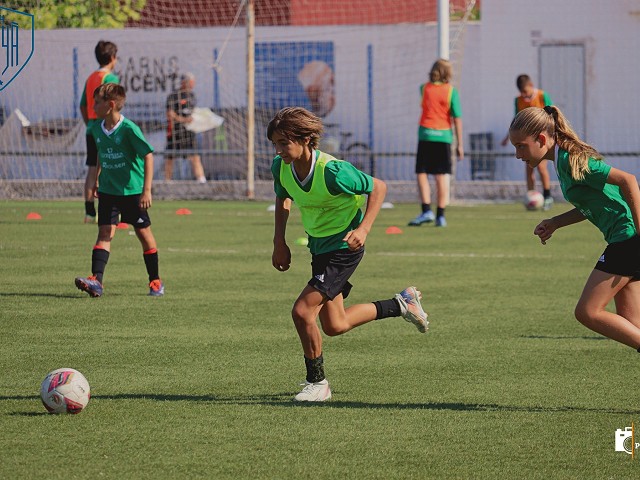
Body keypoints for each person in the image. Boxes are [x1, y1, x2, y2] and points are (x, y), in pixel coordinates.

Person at [269, 107, 429, 402]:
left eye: (284, 143)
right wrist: (279, 241)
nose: (278, 150)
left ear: (306, 139)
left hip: (344, 248)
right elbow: (283, 197)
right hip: (319, 247)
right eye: (275, 144)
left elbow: (378, 187)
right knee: (335, 325)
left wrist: (364, 229)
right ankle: (401, 304)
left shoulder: (332, 171)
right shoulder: (281, 166)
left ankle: (317, 383)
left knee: (302, 312)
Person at [509, 105, 640, 353]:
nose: (517, 155)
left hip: (628, 237)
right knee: (633, 326)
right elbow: (592, 204)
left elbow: (628, 180)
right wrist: (556, 222)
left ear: (541, 139)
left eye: (521, 146)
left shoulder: (571, 159)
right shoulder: (561, 161)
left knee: (588, 312)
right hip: (624, 238)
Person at [75, 83, 164, 298]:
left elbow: (148, 155)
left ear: (111, 104)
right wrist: (97, 178)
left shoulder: (129, 129)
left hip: (132, 192)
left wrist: (147, 190)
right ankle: (96, 281)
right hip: (108, 191)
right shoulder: (96, 128)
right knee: (105, 233)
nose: (93, 107)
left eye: (97, 102)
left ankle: (155, 281)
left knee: (144, 234)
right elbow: (102, 152)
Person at [409, 59, 463, 228]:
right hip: (443, 136)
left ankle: (426, 210)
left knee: (422, 173)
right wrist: (460, 144)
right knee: (441, 176)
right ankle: (440, 215)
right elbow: (457, 118)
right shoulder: (451, 91)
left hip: (426, 134)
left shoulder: (424, 88)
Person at [79, 40, 119, 224]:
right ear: (112, 58)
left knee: (92, 170)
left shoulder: (90, 78)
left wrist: (90, 124)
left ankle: (89, 213)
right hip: (106, 130)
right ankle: (112, 211)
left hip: (92, 130)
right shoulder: (111, 79)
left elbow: (82, 105)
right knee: (111, 168)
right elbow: (113, 107)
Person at [501, 74, 554, 210]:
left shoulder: (542, 96)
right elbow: (516, 121)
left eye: (525, 91)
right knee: (529, 168)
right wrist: (507, 137)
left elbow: (552, 116)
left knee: (541, 168)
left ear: (531, 85)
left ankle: (547, 196)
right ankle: (531, 197)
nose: (524, 95)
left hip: (540, 141)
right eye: (521, 92)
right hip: (526, 142)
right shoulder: (518, 100)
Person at [165, 72, 206, 183]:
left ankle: (202, 180)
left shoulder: (192, 96)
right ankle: (167, 181)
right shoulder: (174, 96)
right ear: (184, 82)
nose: (193, 85)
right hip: (175, 133)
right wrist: (183, 120)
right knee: (170, 158)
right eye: (191, 82)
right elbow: (170, 114)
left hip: (189, 133)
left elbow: (193, 112)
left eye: (193, 82)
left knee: (195, 156)